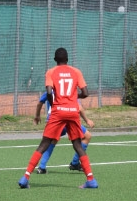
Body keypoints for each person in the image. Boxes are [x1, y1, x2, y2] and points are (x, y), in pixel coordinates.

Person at [19, 47, 96, 189]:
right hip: (73, 111)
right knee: (78, 145)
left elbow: (49, 92)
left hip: (58, 112)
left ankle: (25, 177)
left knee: (44, 144)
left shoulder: (51, 72)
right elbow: (85, 93)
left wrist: (54, 104)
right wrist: (74, 96)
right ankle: (91, 180)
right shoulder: (76, 71)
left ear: (55, 60)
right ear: (67, 59)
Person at [33, 95, 94, 174]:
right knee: (87, 136)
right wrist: (87, 120)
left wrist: (37, 116)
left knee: (52, 141)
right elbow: (79, 108)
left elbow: (39, 103)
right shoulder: (70, 92)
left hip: (52, 120)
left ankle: (41, 167)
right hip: (67, 119)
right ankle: (75, 163)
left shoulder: (51, 91)